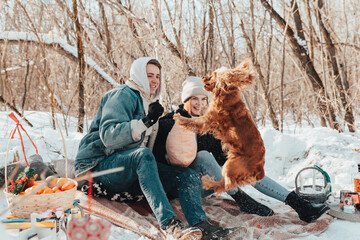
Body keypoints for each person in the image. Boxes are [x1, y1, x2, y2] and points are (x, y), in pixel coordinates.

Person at [74, 57, 239, 240]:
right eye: (149, 75)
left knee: (185, 175)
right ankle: (170, 225)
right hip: (100, 167)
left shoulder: (150, 102)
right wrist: (146, 121)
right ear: (138, 75)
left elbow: (148, 148)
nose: (154, 80)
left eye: (158, 76)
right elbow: (109, 137)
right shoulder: (122, 95)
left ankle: (201, 226)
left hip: (129, 170)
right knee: (142, 156)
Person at [153, 76, 330, 223]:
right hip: (180, 187)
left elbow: (224, 161)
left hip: (206, 185)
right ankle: (241, 198)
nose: (199, 103)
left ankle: (299, 204)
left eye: (203, 99)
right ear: (185, 100)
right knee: (203, 156)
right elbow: (158, 161)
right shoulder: (169, 123)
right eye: (194, 99)